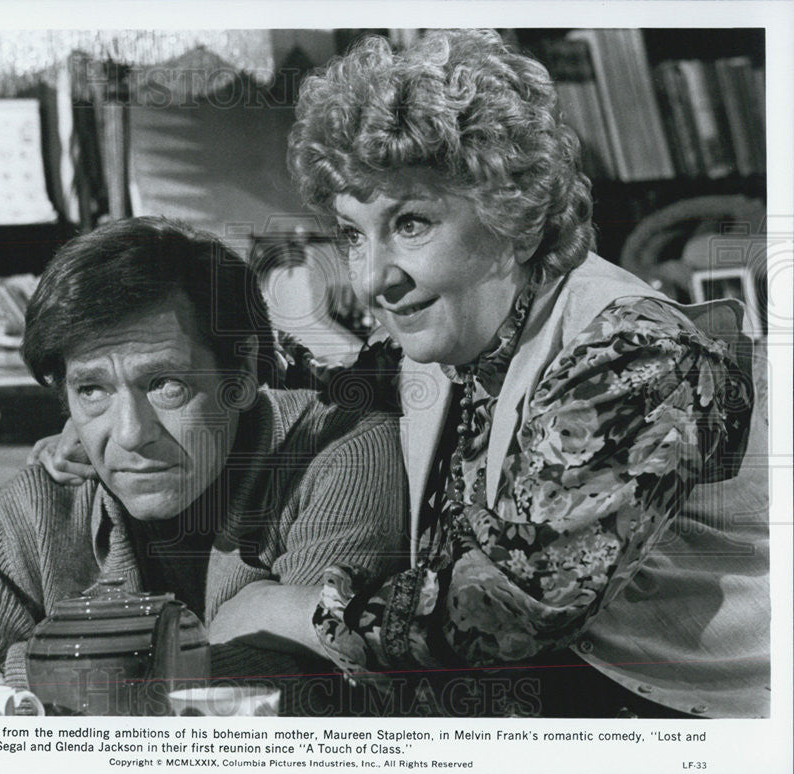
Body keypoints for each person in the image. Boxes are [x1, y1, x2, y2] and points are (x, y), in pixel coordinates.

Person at [281, 29, 767, 718]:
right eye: (354, 234)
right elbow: (306, 403)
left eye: (411, 223)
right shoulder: (455, 338)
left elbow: (512, 612)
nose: (370, 281)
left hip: (685, 744)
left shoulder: (634, 354)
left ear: (512, 212)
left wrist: (310, 611)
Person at [0, 216, 406, 688]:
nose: (127, 434)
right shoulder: (41, 508)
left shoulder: (339, 454)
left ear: (239, 375)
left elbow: (315, 687)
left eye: (165, 384)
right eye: (91, 390)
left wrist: (30, 682)